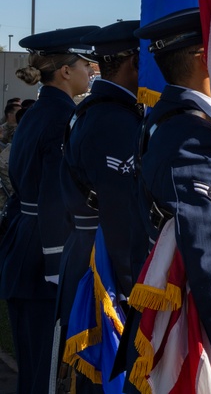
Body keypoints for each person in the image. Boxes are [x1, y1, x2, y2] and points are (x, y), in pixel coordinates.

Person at [128, 9, 211, 389]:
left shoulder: (176, 118)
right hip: (200, 324)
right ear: (201, 57)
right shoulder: (189, 136)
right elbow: (210, 257)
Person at [0, 25, 97, 394]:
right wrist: (59, 267)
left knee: (34, 366)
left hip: (25, 244)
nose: (90, 71)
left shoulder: (41, 111)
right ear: (65, 70)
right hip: (44, 255)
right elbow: (54, 198)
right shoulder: (59, 118)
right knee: (45, 369)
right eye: (85, 64)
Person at [54, 21, 142, 393]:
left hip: (91, 249)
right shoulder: (113, 120)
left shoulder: (100, 110)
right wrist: (137, 285)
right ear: (135, 64)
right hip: (105, 263)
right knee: (109, 374)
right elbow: (122, 210)